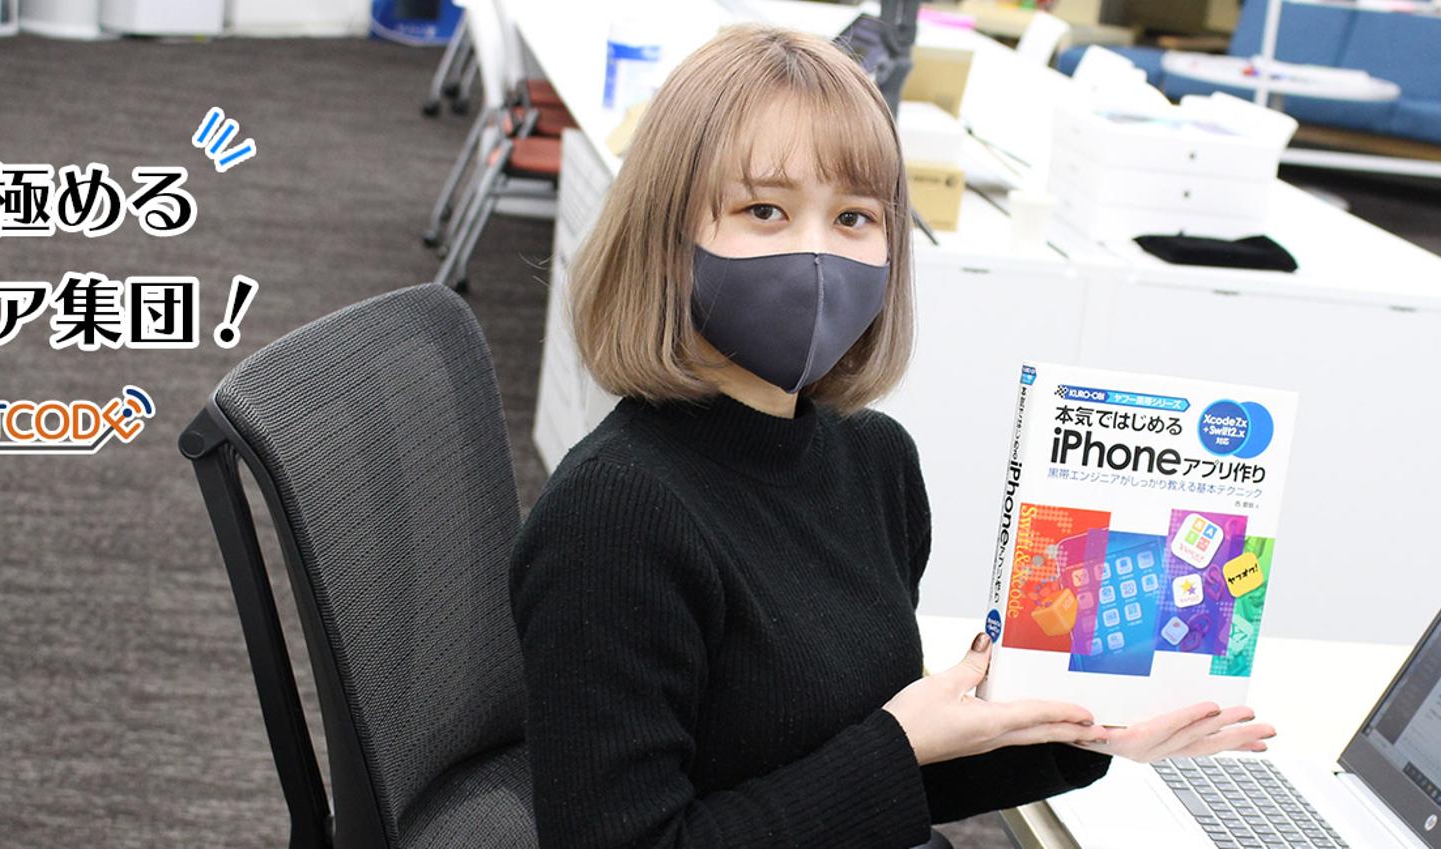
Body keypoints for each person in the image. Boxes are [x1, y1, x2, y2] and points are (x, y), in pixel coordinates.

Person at [507, 24, 1275, 849]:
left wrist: (1089, 730)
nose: (815, 253)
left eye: (853, 217)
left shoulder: (874, 461)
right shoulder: (615, 515)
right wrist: (898, 741)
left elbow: (871, 777)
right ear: (667, 243)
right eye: (764, 210)